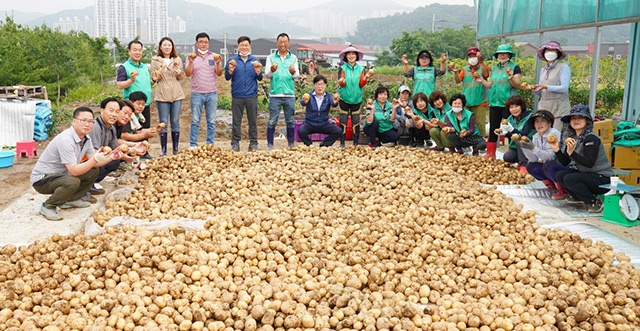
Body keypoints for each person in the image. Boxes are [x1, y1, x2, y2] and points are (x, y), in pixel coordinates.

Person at [30, 107, 117, 221]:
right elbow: (74, 171)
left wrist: (113, 156)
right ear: (74, 121)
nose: (87, 124)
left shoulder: (86, 138)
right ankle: (48, 206)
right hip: (42, 179)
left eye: (90, 121)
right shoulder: (66, 139)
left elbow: (95, 163)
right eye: (83, 120)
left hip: (61, 175)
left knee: (93, 171)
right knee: (72, 182)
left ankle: (71, 199)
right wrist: (95, 159)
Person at [551, 104, 613, 213]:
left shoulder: (591, 138)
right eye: (573, 118)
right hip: (588, 175)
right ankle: (578, 197)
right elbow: (565, 162)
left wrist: (572, 153)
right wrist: (556, 149)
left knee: (571, 178)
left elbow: (589, 163)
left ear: (587, 120)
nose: (576, 120)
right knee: (560, 175)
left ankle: (594, 202)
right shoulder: (573, 138)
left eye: (580, 118)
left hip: (602, 179)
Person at [87, 97, 138, 203]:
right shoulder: (95, 127)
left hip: (99, 158)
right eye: (111, 111)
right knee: (100, 163)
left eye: (116, 111)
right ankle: (87, 185)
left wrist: (131, 153)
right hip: (88, 160)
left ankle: (94, 181)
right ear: (102, 111)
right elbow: (94, 155)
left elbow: (116, 149)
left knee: (115, 162)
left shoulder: (111, 128)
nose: (114, 114)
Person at [476, 44, 522, 159]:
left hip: (508, 104)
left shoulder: (515, 67)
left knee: (509, 128)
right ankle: (491, 153)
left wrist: (511, 77)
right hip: (495, 103)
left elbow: (517, 85)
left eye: (505, 53)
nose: (502, 55)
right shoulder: (494, 68)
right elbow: (491, 85)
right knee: (493, 128)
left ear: (509, 55)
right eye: (500, 54)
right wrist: (482, 80)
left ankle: (512, 153)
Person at [225, 36, 263, 152]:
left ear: (250, 46)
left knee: (253, 121)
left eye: (246, 45)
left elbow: (260, 78)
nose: (244, 47)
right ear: (238, 47)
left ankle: (253, 143)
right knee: (236, 121)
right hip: (237, 95)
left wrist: (257, 72)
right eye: (242, 45)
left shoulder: (255, 61)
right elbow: (227, 77)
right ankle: (235, 143)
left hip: (251, 95)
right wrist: (230, 71)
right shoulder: (232, 60)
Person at [185, 32, 223, 148]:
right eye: (201, 42)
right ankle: (193, 144)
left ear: (209, 43)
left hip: (211, 93)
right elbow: (188, 73)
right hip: (197, 93)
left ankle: (210, 143)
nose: (203, 44)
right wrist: (191, 62)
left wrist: (218, 64)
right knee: (195, 120)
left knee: (211, 121)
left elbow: (219, 73)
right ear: (196, 43)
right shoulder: (191, 57)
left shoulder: (214, 56)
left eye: (206, 42)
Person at [524, 40, 571, 131]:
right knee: (544, 133)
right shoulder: (543, 70)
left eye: (553, 50)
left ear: (558, 53)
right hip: (545, 107)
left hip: (558, 108)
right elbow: (542, 92)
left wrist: (546, 87)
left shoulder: (563, 67)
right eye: (547, 50)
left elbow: (564, 88)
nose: (549, 53)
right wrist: (532, 89)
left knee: (556, 134)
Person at [521, 110, 567, 199]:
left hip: (562, 165)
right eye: (537, 121)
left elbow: (550, 157)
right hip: (549, 165)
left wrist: (532, 148)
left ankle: (563, 190)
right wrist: (524, 147)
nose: (539, 124)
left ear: (549, 123)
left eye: (542, 121)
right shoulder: (536, 136)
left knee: (549, 165)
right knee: (531, 166)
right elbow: (534, 159)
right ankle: (552, 186)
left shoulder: (553, 134)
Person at [150, 36, 185, 155]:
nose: (167, 47)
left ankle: (175, 148)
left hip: (176, 93)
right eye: (164, 45)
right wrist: (157, 75)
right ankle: (163, 149)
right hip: (162, 93)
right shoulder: (155, 61)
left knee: (175, 122)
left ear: (172, 47)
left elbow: (180, 78)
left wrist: (178, 72)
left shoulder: (177, 60)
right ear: (160, 47)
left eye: (169, 45)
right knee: (163, 122)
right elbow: (153, 79)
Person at [265, 33, 300, 150]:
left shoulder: (293, 58)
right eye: (280, 42)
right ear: (277, 43)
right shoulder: (270, 58)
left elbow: (297, 75)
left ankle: (291, 143)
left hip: (289, 94)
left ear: (288, 43)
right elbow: (267, 75)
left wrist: (293, 71)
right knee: (272, 120)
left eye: (285, 42)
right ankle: (270, 144)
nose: (283, 44)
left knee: (290, 120)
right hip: (275, 94)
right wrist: (272, 70)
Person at [337, 45, 374, 147]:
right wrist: (341, 81)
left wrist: (366, 77)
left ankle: (355, 143)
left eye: (353, 54)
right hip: (344, 98)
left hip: (357, 99)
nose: (351, 56)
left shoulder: (361, 69)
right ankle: (342, 143)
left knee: (356, 121)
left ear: (356, 56)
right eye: (349, 54)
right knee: (343, 120)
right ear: (346, 56)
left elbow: (361, 84)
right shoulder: (342, 68)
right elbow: (341, 83)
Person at [451, 46, 490, 138]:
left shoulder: (484, 66)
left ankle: (481, 144)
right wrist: (456, 72)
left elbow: (486, 74)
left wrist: (481, 62)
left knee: (480, 124)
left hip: (480, 102)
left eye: (474, 56)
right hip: (467, 102)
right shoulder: (465, 69)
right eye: (470, 56)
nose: (472, 58)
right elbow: (457, 81)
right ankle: (467, 143)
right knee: (466, 124)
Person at [116, 40, 152, 130]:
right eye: (135, 50)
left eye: (140, 50)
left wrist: (154, 80)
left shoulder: (144, 67)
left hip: (145, 104)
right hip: (132, 106)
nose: (137, 52)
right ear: (129, 51)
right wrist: (131, 80)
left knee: (145, 131)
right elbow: (119, 85)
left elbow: (146, 84)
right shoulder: (124, 67)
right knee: (134, 130)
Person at [297, 75, 342, 147]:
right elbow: (302, 103)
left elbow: (333, 104)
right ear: (314, 85)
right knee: (301, 131)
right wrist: (305, 101)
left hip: (323, 124)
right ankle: (309, 145)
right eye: (318, 84)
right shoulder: (309, 95)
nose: (320, 87)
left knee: (338, 131)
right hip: (310, 124)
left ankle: (324, 145)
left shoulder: (328, 96)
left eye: (322, 84)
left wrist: (335, 102)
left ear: (325, 86)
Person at [498, 96, 534, 172]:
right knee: (507, 157)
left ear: (522, 106)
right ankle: (520, 160)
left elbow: (525, 134)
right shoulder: (510, 119)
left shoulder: (529, 117)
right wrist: (504, 132)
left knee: (519, 139)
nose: (514, 109)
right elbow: (510, 136)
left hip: (530, 146)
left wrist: (512, 129)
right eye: (511, 107)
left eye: (517, 106)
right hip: (516, 147)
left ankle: (524, 164)